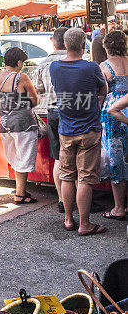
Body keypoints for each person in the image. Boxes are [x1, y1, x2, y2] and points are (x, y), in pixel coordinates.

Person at [50, 27, 107, 236]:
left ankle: (68, 219)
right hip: (89, 129)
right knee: (85, 178)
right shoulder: (91, 67)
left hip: (66, 129)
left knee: (67, 176)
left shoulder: (54, 68)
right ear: (83, 45)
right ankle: (84, 224)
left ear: (65, 45)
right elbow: (103, 90)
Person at [0, 47, 39, 204]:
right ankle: (19, 194)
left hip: (4, 124)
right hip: (23, 124)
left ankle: (21, 190)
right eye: (23, 62)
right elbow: (34, 100)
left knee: (15, 158)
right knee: (24, 157)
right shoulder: (22, 77)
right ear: (19, 62)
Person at [36, 27, 67, 212]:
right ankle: (79, 197)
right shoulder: (73, 59)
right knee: (74, 157)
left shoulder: (44, 63)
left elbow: (39, 90)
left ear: (53, 41)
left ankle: (62, 200)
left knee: (57, 158)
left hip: (52, 112)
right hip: (71, 111)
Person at [99, 30, 128, 219]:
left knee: (117, 160)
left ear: (107, 46)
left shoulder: (104, 66)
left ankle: (118, 207)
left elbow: (100, 92)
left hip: (113, 115)